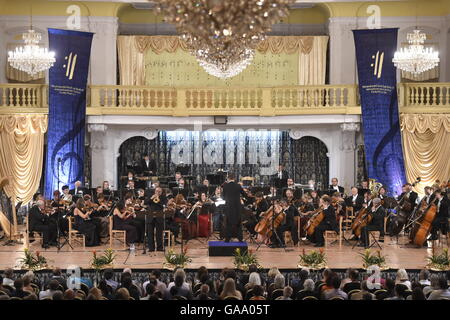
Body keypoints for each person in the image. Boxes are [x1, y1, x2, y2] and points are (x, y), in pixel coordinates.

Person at [222, 173, 244, 242]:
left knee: (228, 223)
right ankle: (240, 238)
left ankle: (227, 238)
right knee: (238, 223)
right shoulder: (238, 186)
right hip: (237, 207)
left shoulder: (225, 186)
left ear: (228, 178)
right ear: (234, 179)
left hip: (228, 207)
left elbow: (223, 196)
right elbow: (244, 194)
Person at [146, 187, 167, 251]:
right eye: (157, 191)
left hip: (159, 217)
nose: (158, 192)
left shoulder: (163, 198)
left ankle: (159, 247)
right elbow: (146, 202)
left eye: (159, 191)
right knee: (150, 233)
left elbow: (163, 205)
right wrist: (151, 198)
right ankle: (151, 248)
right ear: (154, 191)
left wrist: (159, 200)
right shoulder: (150, 196)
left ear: (161, 192)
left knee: (159, 233)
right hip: (150, 217)